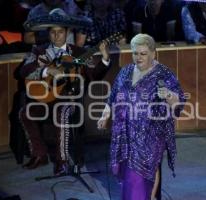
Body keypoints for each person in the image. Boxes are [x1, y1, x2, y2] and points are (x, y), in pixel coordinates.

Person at [20, 8, 111, 176]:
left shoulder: (78, 53)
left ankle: (62, 161)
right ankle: (39, 154)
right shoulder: (39, 51)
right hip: (45, 98)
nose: (56, 36)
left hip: (69, 101)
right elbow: (23, 71)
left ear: (67, 32)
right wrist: (46, 72)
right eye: (53, 32)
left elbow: (94, 76)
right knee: (26, 113)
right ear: (48, 33)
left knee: (60, 112)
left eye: (60, 32)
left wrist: (105, 59)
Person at [97, 33, 185, 200]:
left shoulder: (163, 74)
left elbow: (179, 102)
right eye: (135, 53)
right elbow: (114, 95)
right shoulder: (126, 71)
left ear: (153, 53)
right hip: (126, 132)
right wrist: (104, 115)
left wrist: (168, 95)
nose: (138, 57)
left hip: (152, 132)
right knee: (129, 176)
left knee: (148, 168)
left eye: (143, 53)